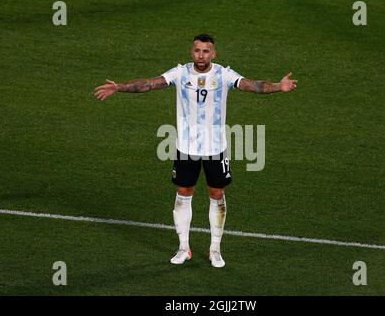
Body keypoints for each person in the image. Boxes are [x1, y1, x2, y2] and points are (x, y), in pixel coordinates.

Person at [94, 34, 297, 268]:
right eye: (197, 51)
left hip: (215, 148)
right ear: (192, 52)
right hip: (186, 147)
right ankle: (183, 248)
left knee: (217, 194)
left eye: (206, 51)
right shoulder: (180, 73)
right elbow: (149, 84)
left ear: (214, 54)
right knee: (183, 191)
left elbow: (254, 86)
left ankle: (215, 249)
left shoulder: (224, 74)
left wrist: (278, 87)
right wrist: (119, 87)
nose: (201, 55)